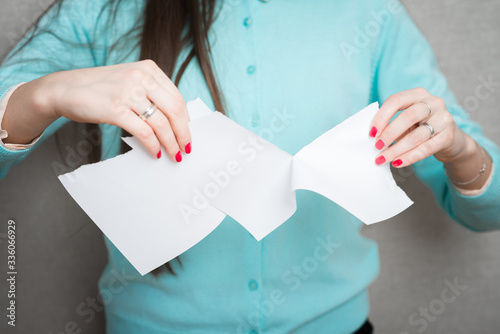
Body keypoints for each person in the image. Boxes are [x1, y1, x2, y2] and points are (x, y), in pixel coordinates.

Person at [0, 0, 498, 333]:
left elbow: (485, 212)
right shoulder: (102, 8)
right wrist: (44, 94)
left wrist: (460, 150)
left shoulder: (370, 13)